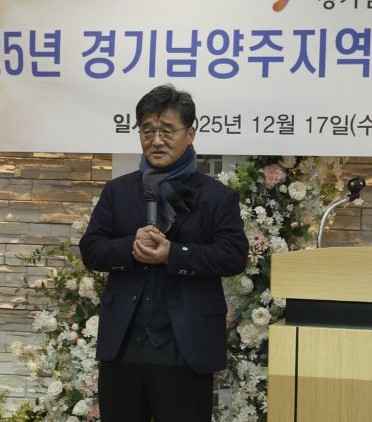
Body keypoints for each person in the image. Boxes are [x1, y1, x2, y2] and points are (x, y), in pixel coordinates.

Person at [79, 84, 248, 422]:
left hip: (185, 347)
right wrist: (130, 247)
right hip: (124, 347)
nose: (156, 140)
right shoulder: (118, 191)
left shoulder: (217, 197)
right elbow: (91, 249)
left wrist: (174, 253)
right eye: (148, 130)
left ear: (191, 133)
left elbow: (233, 256)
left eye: (167, 131)